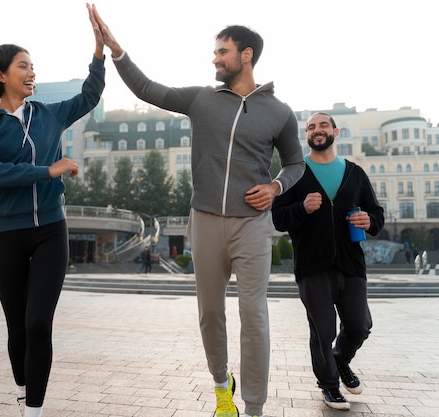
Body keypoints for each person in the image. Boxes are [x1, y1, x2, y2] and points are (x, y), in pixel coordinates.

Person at [88, 6, 305, 417]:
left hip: (253, 225)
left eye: (222, 51)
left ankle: (254, 407)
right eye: (215, 51)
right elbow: (147, 89)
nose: (215, 58)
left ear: (246, 55)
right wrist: (117, 51)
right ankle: (223, 385)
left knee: (253, 315)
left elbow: (296, 163)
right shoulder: (201, 99)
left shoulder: (279, 112)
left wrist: (277, 186)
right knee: (210, 313)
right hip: (204, 219)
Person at [0, 6, 105, 416]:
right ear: (1, 75)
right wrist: (49, 169)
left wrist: (98, 54)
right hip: (5, 233)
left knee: (38, 323)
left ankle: (34, 408)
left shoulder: (49, 114)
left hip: (50, 229)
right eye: (23, 66)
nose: (31, 73)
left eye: (33, 66)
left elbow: (89, 96)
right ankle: (25, 383)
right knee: (17, 328)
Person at [271, 112, 384, 410]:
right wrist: (301, 208)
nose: (317, 130)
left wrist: (368, 220)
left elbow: (378, 216)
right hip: (312, 265)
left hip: (352, 264)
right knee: (323, 331)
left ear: (335, 131)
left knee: (360, 326)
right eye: (310, 127)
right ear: (306, 135)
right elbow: (278, 218)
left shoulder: (355, 172)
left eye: (322, 125)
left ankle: (340, 360)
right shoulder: (293, 173)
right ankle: (330, 386)